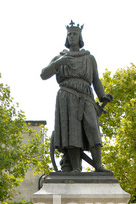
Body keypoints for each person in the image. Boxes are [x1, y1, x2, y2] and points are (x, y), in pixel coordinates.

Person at [40, 20, 112, 173]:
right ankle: (76, 168)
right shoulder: (60, 57)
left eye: (75, 34)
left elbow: (96, 80)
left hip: (86, 97)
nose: (72, 37)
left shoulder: (89, 58)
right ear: (67, 38)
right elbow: (44, 75)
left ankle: (98, 165)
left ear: (80, 37)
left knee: (92, 128)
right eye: (69, 34)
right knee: (72, 132)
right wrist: (58, 63)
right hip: (67, 96)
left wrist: (102, 96)